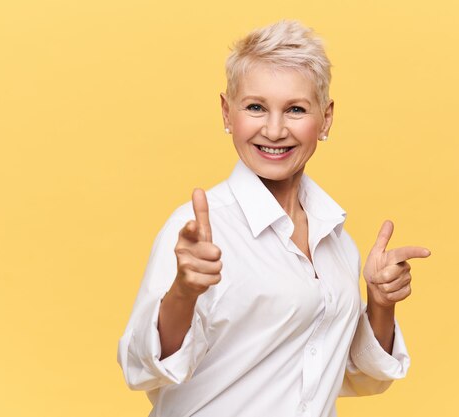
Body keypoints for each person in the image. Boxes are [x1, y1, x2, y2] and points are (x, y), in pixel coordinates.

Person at [117, 19, 431, 417]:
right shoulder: (199, 232)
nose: (275, 129)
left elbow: (352, 375)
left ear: (327, 117)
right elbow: (140, 369)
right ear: (227, 112)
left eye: (296, 109)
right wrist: (183, 292)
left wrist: (380, 303)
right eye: (255, 107)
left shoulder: (336, 240)